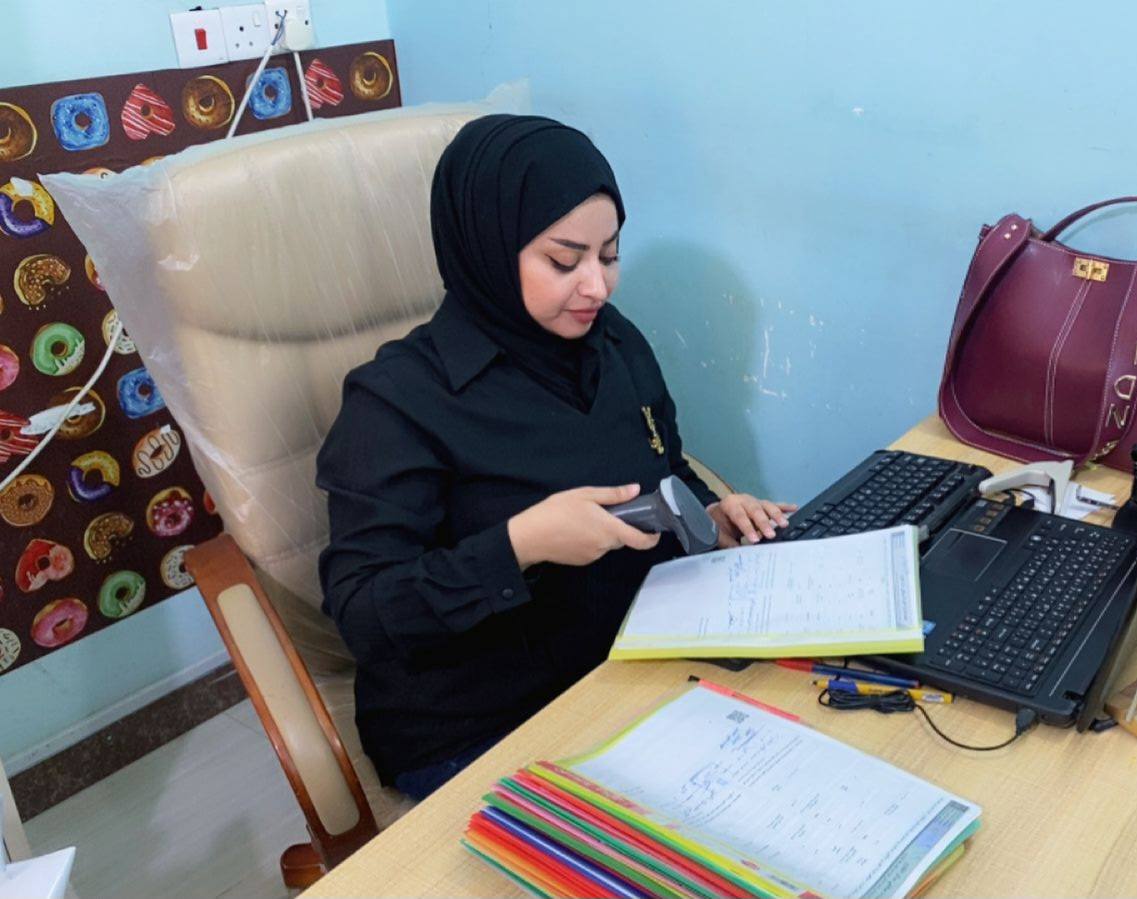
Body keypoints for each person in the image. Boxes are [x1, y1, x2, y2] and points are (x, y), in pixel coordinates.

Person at [316, 115, 795, 799]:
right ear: (488, 247)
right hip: (478, 721)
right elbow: (365, 614)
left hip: (627, 659)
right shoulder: (396, 401)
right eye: (565, 262)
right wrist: (519, 546)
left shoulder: (612, 342)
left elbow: (663, 466)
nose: (598, 287)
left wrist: (708, 514)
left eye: (609, 255)